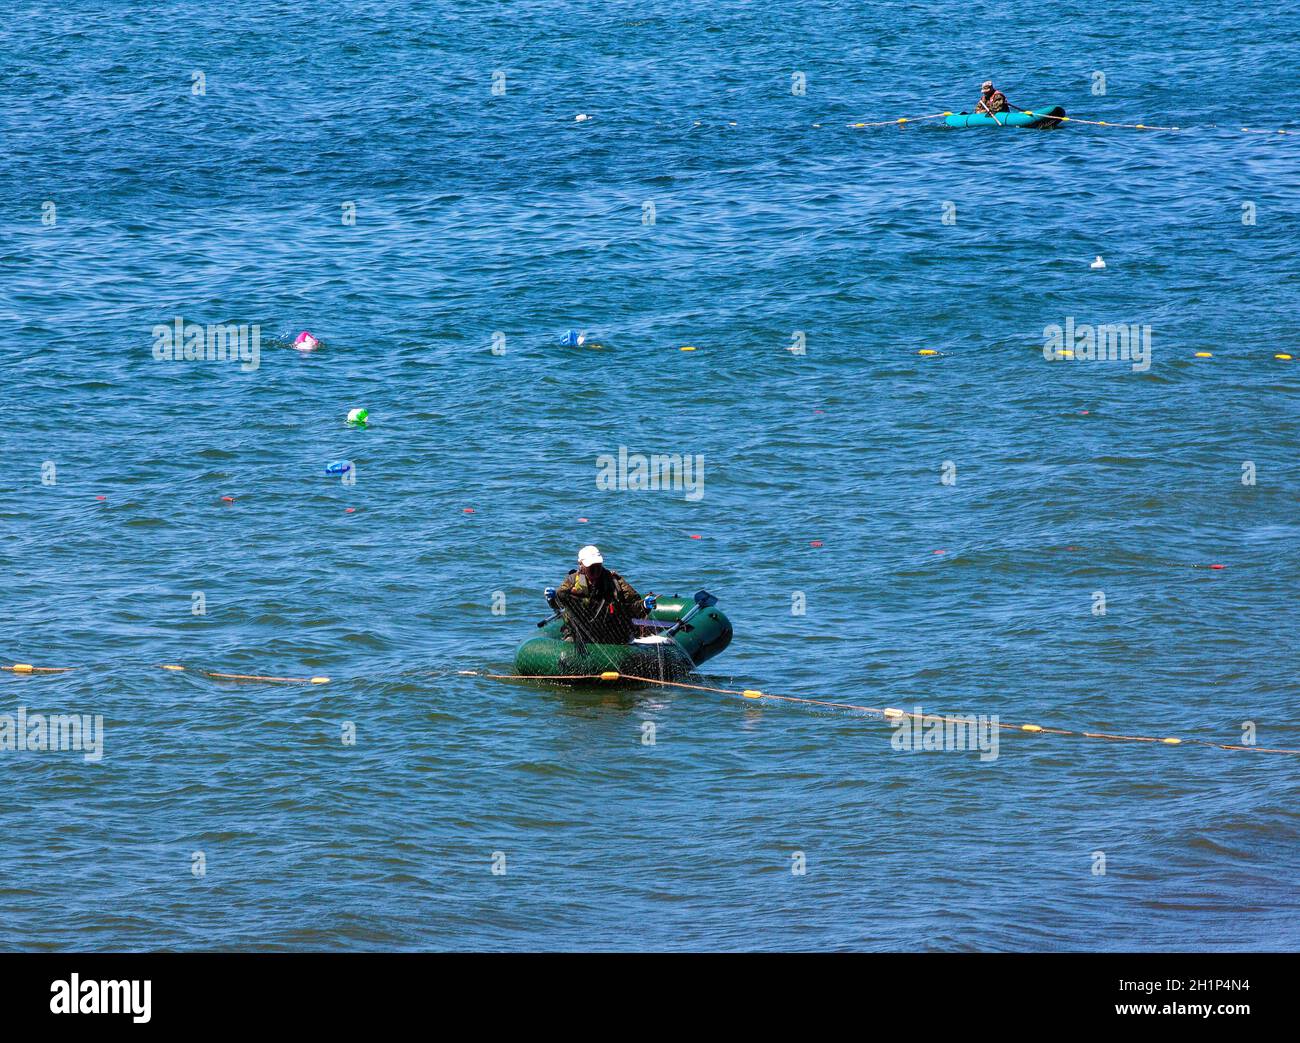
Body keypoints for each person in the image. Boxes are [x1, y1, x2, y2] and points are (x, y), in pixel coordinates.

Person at [544, 546, 655, 645]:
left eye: (598, 566)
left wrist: (644, 605)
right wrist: (552, 599)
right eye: (591, 567)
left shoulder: (614, 581)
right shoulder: (572, 581)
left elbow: (633, 606)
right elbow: (559, 604)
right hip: (580, 633)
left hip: (610, 633)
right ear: (581, 565)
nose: (595, 570)